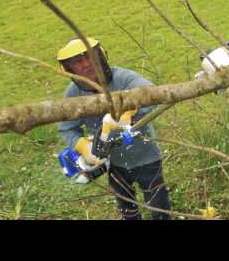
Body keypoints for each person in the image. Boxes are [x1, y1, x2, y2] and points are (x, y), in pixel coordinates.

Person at [56, 37, 171, 220]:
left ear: (100, 57)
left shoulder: (124, 78)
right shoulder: (73, 93)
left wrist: (129, 111)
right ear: (70, 69)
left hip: (146, 155)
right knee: (127, 207)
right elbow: (66, 128)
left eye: (89, 57)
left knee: (159, 204)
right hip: (113, 163)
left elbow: (152, 93)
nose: (86, 64)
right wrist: (81, 145)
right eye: (78, 62)